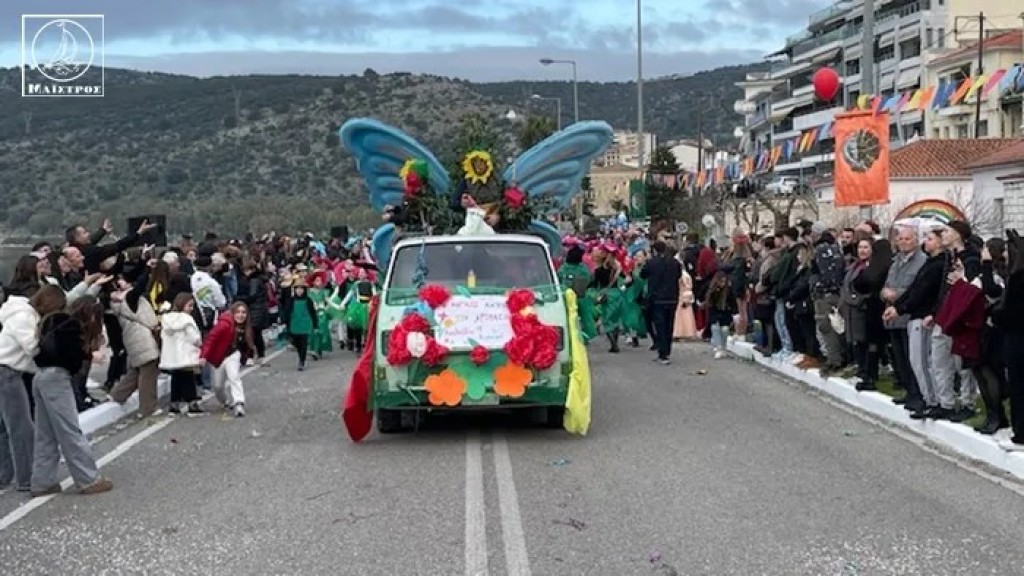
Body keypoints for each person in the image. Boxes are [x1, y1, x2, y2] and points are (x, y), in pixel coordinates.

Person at [31, 285, 112, 496]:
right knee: (70, 430)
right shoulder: (72, 327)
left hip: (40, 376)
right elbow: (72, 360)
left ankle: (42, 481)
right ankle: (88, 479)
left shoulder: (51, 320)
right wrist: (87, 355)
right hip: (57, 378)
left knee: (45, 433)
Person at [200, 302, 254, 418]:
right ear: (233, 313)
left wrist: (247, 358)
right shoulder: (224, 324)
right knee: (217, 386)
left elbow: (247, 345)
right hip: (217, 358)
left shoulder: (247, 328)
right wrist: (204, 356)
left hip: (233, 355)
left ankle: (239, 403)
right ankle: (225, 401)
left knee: (234, 377)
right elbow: (211, 339)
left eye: (244, 313)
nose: (241, 315)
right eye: (238, 312)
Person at [640, 241, 682, 365]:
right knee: (669, 325)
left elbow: (643, 275)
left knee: (660, 325)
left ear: (654, 251)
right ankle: (667, 351)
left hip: (657, 298)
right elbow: (678, 276)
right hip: (672, 297)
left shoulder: (652, 263)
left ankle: (662, 353)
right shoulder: (675, 263)